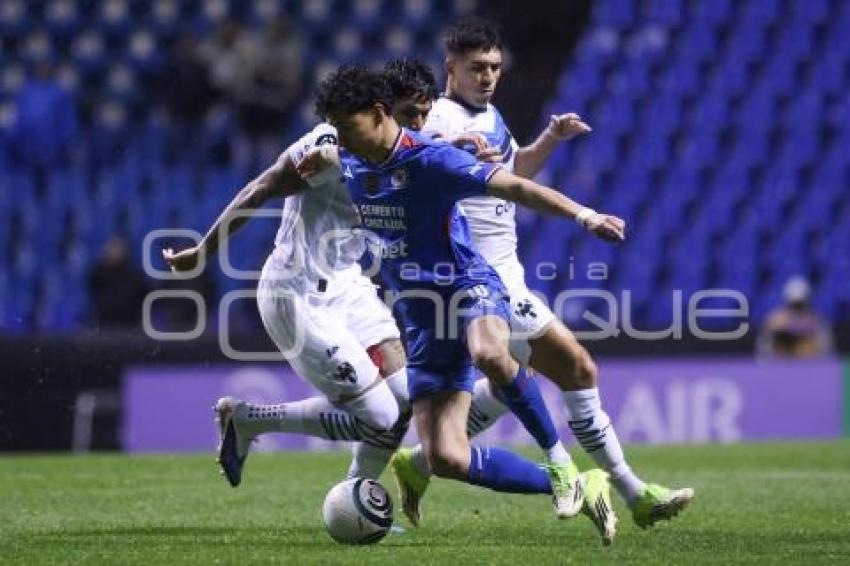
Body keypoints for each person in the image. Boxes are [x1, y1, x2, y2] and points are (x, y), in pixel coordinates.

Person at [388, 18, 694, 537]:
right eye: (477, 68)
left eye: (494, 68)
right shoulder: (437, 119)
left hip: (504, 274)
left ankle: (420, 462)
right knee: (576, 367)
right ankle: (632, 492)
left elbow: (514, 176)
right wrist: (455, 154)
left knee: (506, 379)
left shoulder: (487, 114)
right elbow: (414, 166)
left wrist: (551, 137)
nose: (488, 77)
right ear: (451, 69)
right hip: (480, 277)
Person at [302, 64, 627, 532]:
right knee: (446, 457)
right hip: (419, 316)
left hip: (467, 284)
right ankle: (581, 481)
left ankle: (559, 463)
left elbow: (515, 185)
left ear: (376, 115)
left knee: (490, 352)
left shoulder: (431, 160)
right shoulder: (344, 157)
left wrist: (584, 215)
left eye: (348, 128)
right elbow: (283, 175)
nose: (342, 138)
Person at [757, 275, 834, 358]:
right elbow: (763, 350)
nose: (797, 309)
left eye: (800, 305)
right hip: (778, 364)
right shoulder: (775, 320)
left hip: (808, 364)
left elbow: (826, 350)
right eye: (794, 305)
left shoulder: (816, 320)